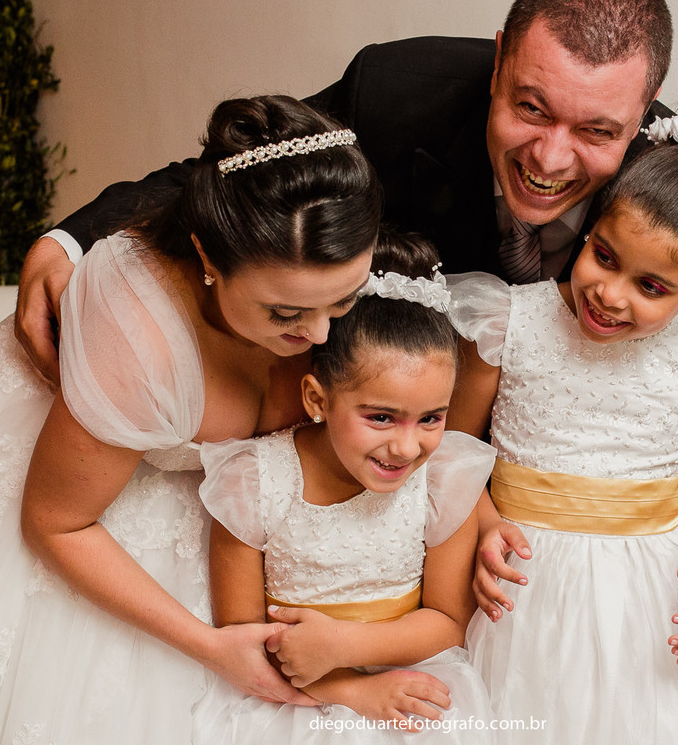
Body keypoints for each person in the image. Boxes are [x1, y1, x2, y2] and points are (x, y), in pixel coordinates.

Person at [14, 0, 678, 634]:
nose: (550, 158)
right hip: (378, 501)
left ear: (642, 116)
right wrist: (69, 239)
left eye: (597, 132)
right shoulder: (399, 90)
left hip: (553, 573)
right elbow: (241, 181)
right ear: (499, 59)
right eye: (531, 107)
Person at [0, 95, 382, 744]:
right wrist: (210, 645)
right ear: (208, 261)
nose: (320, 334)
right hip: (65, 491)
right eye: (284, 314)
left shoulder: (322, 248)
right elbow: (55, 523)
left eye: (342, 301)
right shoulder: (141, 341)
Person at [449, 88, 678, 743]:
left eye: (651, 286)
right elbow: (450, 452)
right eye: (604, 256)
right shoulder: (509, 323)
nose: (609, 294)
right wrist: (485, 523)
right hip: (519, 587)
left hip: (652, 601)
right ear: (591, 227)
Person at [193, 232, 496, 743]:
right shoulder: (254, 481)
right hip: (286, 698)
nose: (407, 447)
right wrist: (350, 690)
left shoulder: (443, 478)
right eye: (381, 417)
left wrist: (344, 646)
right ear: (318, 399)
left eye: (431, 418)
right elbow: (241, 641)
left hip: (413, 682)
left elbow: (449, 620)